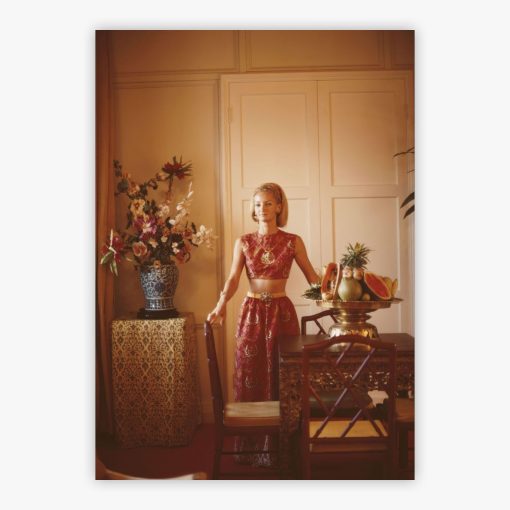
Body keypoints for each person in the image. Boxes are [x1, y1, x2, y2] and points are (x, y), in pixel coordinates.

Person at [207, 182, 319, 466]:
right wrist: (220, 305)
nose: (263, 209)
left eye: (268, 203)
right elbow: (233, 278)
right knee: (250, 373)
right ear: (253, 209)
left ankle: (285, 449)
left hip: (282, 314)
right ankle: (253, 446)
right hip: (252, 313)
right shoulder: (243, 241)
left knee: (286, 377)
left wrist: (334, 292)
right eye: (258, 204)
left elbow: (312, 278)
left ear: (279, 207)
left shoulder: (293, 241)